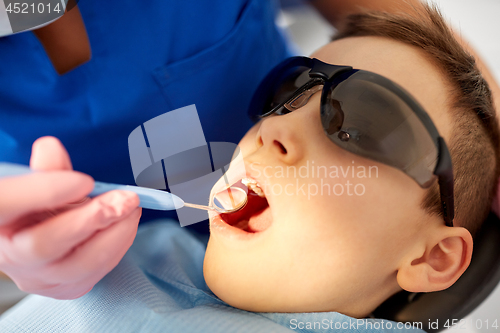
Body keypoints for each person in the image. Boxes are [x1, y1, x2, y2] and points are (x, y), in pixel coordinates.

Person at [1, 3, 499, 332]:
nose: (270, 131)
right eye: (287, 97)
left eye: (361, 126)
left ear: (433, 259)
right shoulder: (149, 261)